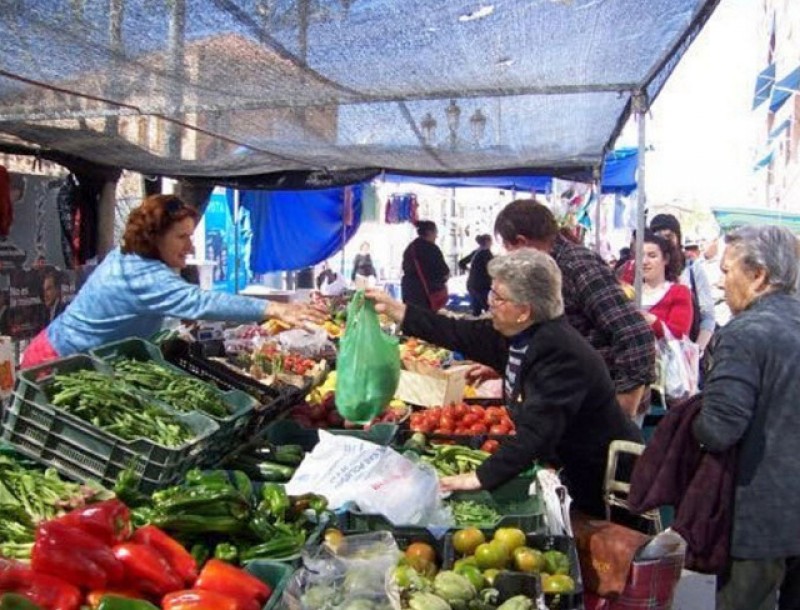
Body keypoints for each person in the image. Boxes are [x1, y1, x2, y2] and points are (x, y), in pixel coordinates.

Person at [368, 249, 642, 518]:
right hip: (570, 466)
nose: (490, 303)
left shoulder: (560, 353)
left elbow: (537, 432)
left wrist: (478, 477)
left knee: (604, 553)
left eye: (498, 298)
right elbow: (458, 332)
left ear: (524, 311)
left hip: (602, 482)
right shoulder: (521, 334)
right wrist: (396, 310)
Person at [20, 194, 326, 369]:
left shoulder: (132, 259)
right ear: (155, 237)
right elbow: (200, 302)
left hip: (74, 359)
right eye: (182, 238)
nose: (190, 247)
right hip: (56, 362)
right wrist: (273, 309)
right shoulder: (142, 276)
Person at [692, 225, 800, 610]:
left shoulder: (745, 333)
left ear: (758, 276)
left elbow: (719, 429)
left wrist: (690, 422)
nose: (721, 283)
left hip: (762, 514)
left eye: (726, 271)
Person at [493, 199, 655, 418]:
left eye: (507, 247)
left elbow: (636, 333)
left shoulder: (576, 265)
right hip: (575, 397)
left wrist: (624, 401)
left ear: (522, 242)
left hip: (601, 401)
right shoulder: (545, 273)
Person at [637, 230, 693, 340]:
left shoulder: (679, 292)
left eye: (652, 256)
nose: (645, 261)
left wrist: (653, 322)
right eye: (640, 256)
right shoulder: (631, 293)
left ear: (666, 259)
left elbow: (680, 334)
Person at [401, 220, 450, 311]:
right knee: (426, 321)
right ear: (429, 232)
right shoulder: (432, 249)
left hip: (409, 291)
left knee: (412, 319)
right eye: (435, 232)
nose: (436, 236)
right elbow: (444, 272)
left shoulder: (411, 248)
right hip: (426, 294)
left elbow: (405, 268)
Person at [458, 234, 493, 316]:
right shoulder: (486, 253)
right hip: (482, 286)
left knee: (476, 312)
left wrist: (469, 270)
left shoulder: (476, 252)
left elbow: (461, 262)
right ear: (488, 242)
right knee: (490, 311)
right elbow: (491, 269)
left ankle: (475, 327)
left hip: (472, 284)